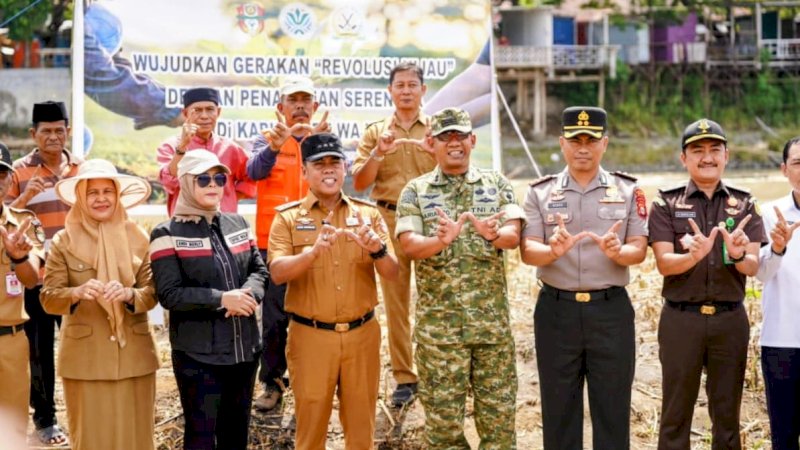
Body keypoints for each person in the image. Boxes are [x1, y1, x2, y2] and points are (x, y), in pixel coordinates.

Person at [520, 106, 648, 449]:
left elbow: (639, 248)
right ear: (562, 143)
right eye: (575, 140)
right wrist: (552, 252)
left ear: (604, 143)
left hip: (610, 312)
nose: (582, 148)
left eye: (590, 140)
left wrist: (618, 253)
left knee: (613, 409)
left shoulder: (628, 190)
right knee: (559, 409)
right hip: (556, 312)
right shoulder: (540, 192)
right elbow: (528, 250)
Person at [395, 108, 523, 448]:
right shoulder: (415, 191)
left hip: (491, 332)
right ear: (431, 143)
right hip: (440, 336)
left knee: (499, 429)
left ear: (472, 140)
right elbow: (409, 245)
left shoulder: (496, 184)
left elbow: (513, 236)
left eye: (460, 136)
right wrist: (441, 241)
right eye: (445, 137)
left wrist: (492, 235)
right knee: (443, 432)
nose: (454, 143)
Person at [269, 133, 398, 449]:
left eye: (334, 162)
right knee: (311, 429)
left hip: (362, 336)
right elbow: (277, 273)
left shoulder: (368, 215)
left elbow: (393, 272)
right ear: (304, 171)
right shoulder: (288, 218)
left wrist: (378, 250)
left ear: (345, 168)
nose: (328, 169)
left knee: (361, 429)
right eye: (319, 164)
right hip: (311, 338)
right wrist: (312, 254)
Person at [648, 118, 765, 450]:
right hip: (680, 320)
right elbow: (664, 263)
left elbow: (752, 266)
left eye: (715, 149)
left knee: (727, 418)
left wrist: (737, 254)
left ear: (727, 156)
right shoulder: (666, 203)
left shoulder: (745, 204)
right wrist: (693, 257)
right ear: (683, 158)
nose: (707, 157)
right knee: (675, 416)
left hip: (730, 320)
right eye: (697, 150)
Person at [150, 150, 267, 449]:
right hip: (198, 357)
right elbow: (170, 294)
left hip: (244, 351)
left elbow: (259, 270)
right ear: (186, 183)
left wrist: (248, 295)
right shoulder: (166, 233)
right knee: (200, 439)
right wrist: (222, 299)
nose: (213, 184)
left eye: (219, 178)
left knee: (236, 437)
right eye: (203, 179)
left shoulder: (238, 223)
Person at [40, 159, 158, 450]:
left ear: (118, 195)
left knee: (136, 438)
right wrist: (76, 292)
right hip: (85, 360)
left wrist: (129, 295)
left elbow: (153, 292)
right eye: (92, 192)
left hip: (134, 356)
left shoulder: (139, 237)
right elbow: (48, 297)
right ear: (80, 197)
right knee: (91, 439)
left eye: (108, 191)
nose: (101, 199)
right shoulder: (63, 241)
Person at [351, 62, 437, 406]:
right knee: (395, 302)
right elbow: (360, 181)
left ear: (423, 90)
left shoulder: (437, 129)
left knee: (436, 299)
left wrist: (435, 152)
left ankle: (437, 370)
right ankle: (405, 377)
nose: (406, 91)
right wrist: (378, 152)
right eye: (399, 85)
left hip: (431, 221)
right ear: (390, 91)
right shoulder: (376, 132)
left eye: (412, 85)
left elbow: (456, 170)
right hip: (388, 219)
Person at [246, 76, 328, 411]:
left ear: (315, 106)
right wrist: (274, 147)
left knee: (316, 314)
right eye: (292, 100)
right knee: (275, 318)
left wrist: (319, 143)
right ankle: (273, 382)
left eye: (305, 100)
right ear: (280, 107)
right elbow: (253, 171)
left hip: (318, 242)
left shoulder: (324, 139)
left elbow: (339, 177)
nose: (299, 107)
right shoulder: (265, 139)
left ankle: (314, 383)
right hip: (274, 244)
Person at [7, 100, 81, 447]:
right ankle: (46, 420)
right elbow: (5, 217)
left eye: (59, 130)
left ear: (68, 131)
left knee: (79, 345)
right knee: (39, 352)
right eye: (46, 131)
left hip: (75, 278)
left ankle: (83, 413)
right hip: (34, 276)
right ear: (33, 133)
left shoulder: (81, 169)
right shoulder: (16, 172)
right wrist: (25, 197)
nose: (53, 136)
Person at [0, 142, 46, 450]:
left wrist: (17, 257)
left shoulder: (25, 222)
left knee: (12, 431)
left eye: (0, 174)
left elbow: (31, 280)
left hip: (10, 341)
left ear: (9, 179)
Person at [757, 136, 800, 450]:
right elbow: (761, 273)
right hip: (781, 341)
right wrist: (778, 247)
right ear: (784, 169)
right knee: (783, 438)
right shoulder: (770, 214)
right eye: (798, 163)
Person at [156, 87, 256, 216]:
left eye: (210, 109)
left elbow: (251, 176)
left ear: (218, 112)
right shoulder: (171, 146)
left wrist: (230, 197)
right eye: (197, 110)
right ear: (185, 113)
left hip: (223, 222)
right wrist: (182, 147)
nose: (204, 116)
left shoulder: (230, 148)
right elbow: (168, 182)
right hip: (186, 223)